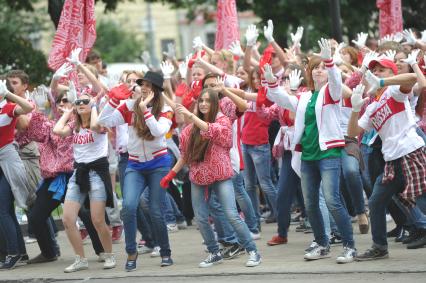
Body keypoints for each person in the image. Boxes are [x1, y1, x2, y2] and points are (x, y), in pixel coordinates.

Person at [266, 38, 356, 263]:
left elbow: (336, 82)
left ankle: (349, 246)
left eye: (321, 68)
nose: (318, 71)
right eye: (314, 68)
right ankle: (322, 244)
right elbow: (284, 100)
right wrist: (272, 83)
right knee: (311, 203)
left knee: (332, 200)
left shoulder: (331, 92)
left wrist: (330, 62)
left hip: (328, 154)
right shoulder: (306, 97)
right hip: (307, 155)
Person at [161, 88, 262, 267]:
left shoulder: (222, 120)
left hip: (221, 174)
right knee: (200, 218)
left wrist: (192, 118)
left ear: (215, 103)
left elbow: (215, 133)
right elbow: (185, 155)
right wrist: (170, 174)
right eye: (201, 101)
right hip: (198, 176)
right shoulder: (188, 130)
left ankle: (253, 250)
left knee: (231, 214)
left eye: (208, 101)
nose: (204, 104)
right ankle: (214, 252)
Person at [348, 54, 426, 260]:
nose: (376, 73)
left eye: (382, 70)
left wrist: (383, 82)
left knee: (419, 198)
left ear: (392, 73)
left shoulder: (393, 91)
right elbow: (352, 132)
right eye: (374, 71)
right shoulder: (372, 106)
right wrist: (355, 109)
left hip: (410, 152)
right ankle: (380, 247)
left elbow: (411, 79)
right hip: (393, 159)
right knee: (376, 202)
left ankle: (384, 245)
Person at [98, 71, 174, 270]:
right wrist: (115, 99)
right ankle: (131, 252)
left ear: (156, 90)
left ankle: (165, 251)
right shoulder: (129, 106)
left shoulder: (165, 108)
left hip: (159, 164)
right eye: (143, 84)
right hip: (134, 164)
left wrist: (144, 109)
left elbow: (158, 132)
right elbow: (103, 121)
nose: (144, 88)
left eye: (149, 85)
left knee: (156, 210)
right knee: (129, 207)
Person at [53, 93, 115, 272]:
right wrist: (68, 111)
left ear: (92, 104)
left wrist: (94, 106)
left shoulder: (100, 123)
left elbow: (95, 125)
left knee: (97, 220)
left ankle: (109, 254)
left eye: (84, 101)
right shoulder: (74, 125)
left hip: (96, 173)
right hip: (78, 173)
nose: (80, 104)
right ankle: (80, 259)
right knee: (67, 219)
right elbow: (58, 130)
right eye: (78, 101)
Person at [0, 79, 35, 270]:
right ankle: (19, 253)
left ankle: (13, 253)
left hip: (8, 159)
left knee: (3, 209)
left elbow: (28, 107)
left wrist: (7, 93)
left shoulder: (8, 107)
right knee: (5, 209)